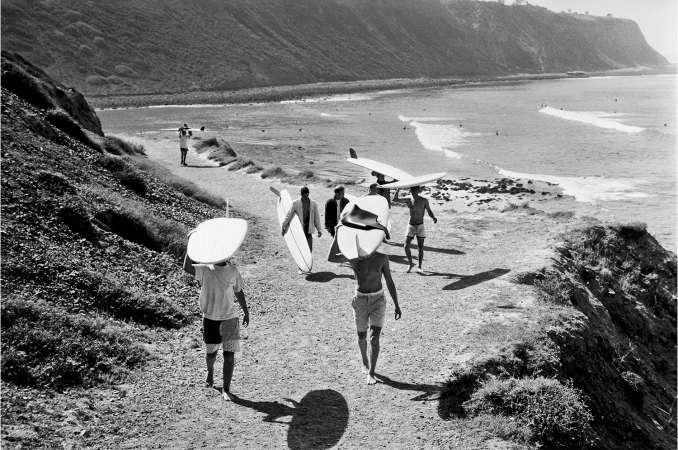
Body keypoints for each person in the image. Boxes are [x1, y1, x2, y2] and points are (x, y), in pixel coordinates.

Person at [183, 252, 250, 401]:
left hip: (230, 317)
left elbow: (238, 291)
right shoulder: (205, 269)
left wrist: (245, 311)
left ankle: (226, 389)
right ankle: (210, 370)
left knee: (229, 355)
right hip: (210, 318)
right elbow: (187, 267)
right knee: (211, 354)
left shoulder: (233, 271)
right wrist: (190, 246)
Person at [393, 186, 437, 273]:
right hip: (411, 226)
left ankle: (420, 267)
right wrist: (398, 188)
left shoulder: (424, 200)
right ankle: (410, 264)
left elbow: (429, 211)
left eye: (415, 190)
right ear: (410, 190)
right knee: (406, 246)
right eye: (412, 190)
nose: (414, 191)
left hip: (420, 226)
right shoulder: (408, 200)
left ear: (418, 190)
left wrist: (433, 217)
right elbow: (395, 199)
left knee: (420, 248)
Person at [282, 186, 322, 274]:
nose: (306, 197)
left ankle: (307, 268)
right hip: (300, 230)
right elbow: (289, 214)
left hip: (309, 229)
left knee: (309, 249)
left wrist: (319, 230)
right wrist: (284, 225)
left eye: (307, 195)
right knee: (300, 249)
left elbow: (316, 217)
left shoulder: (313, 203)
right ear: (301, 195)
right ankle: (300, 268)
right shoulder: (295, 203)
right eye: (304, 196)